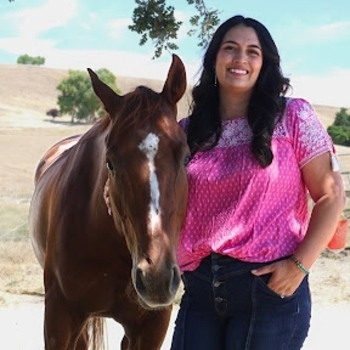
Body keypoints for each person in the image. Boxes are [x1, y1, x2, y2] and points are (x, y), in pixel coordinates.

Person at [170, 15, 345, 350]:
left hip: (268, 292)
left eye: (253, 52)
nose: (240, 59)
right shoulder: (186, 132)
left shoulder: (293, 116)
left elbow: (330, 195)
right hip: (200, 291)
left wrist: (299, 266)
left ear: (265, 64)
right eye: (230, 48)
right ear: (214, 59)